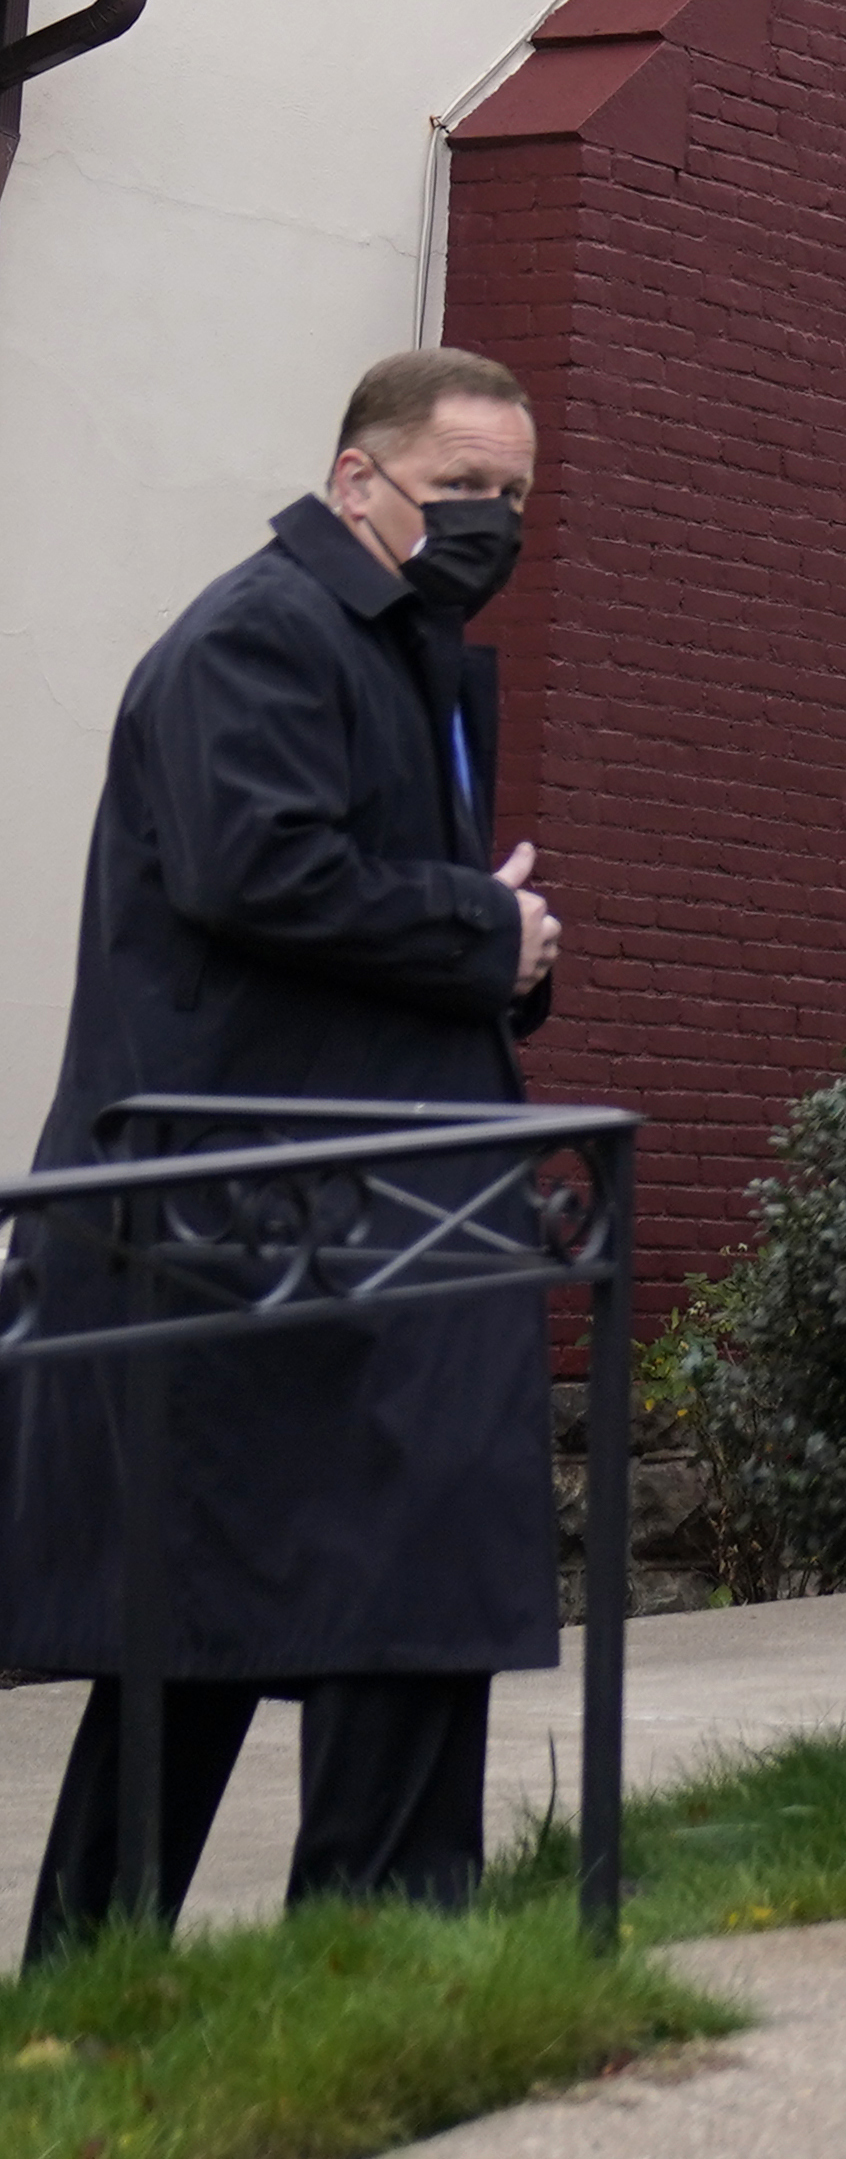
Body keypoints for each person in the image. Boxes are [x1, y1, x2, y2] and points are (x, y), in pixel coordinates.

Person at [1, 349, 564, 1961]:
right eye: (462, 489)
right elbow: (265, 871)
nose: (494, 522)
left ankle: (331, 1978)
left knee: (352, 1614)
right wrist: (485, 924)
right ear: (356, 481)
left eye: (516, 494)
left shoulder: (383, 643)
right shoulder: (261, 634)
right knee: (222, 1632)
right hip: (254, 1227)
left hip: (349, 1221)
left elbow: (352, 894)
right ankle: (123, 1993)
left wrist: (511, 944)